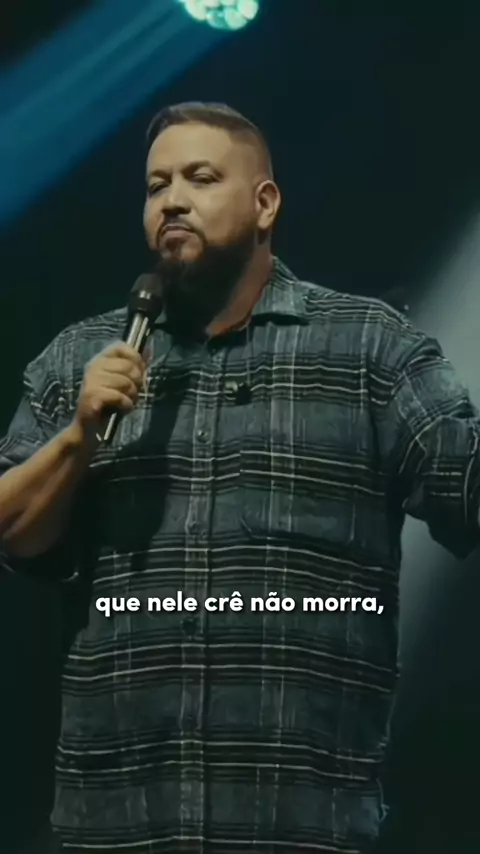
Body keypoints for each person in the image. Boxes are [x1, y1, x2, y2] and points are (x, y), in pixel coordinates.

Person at [1, 101, 479, 854]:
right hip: (117, 819)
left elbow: (467, 489)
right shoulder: (79, 360)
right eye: (156, 186)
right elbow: (14, 532)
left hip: (301, 819)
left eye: (200, 178)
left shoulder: (370, 349)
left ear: (265, 203)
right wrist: (79, 437)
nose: (172, 200)